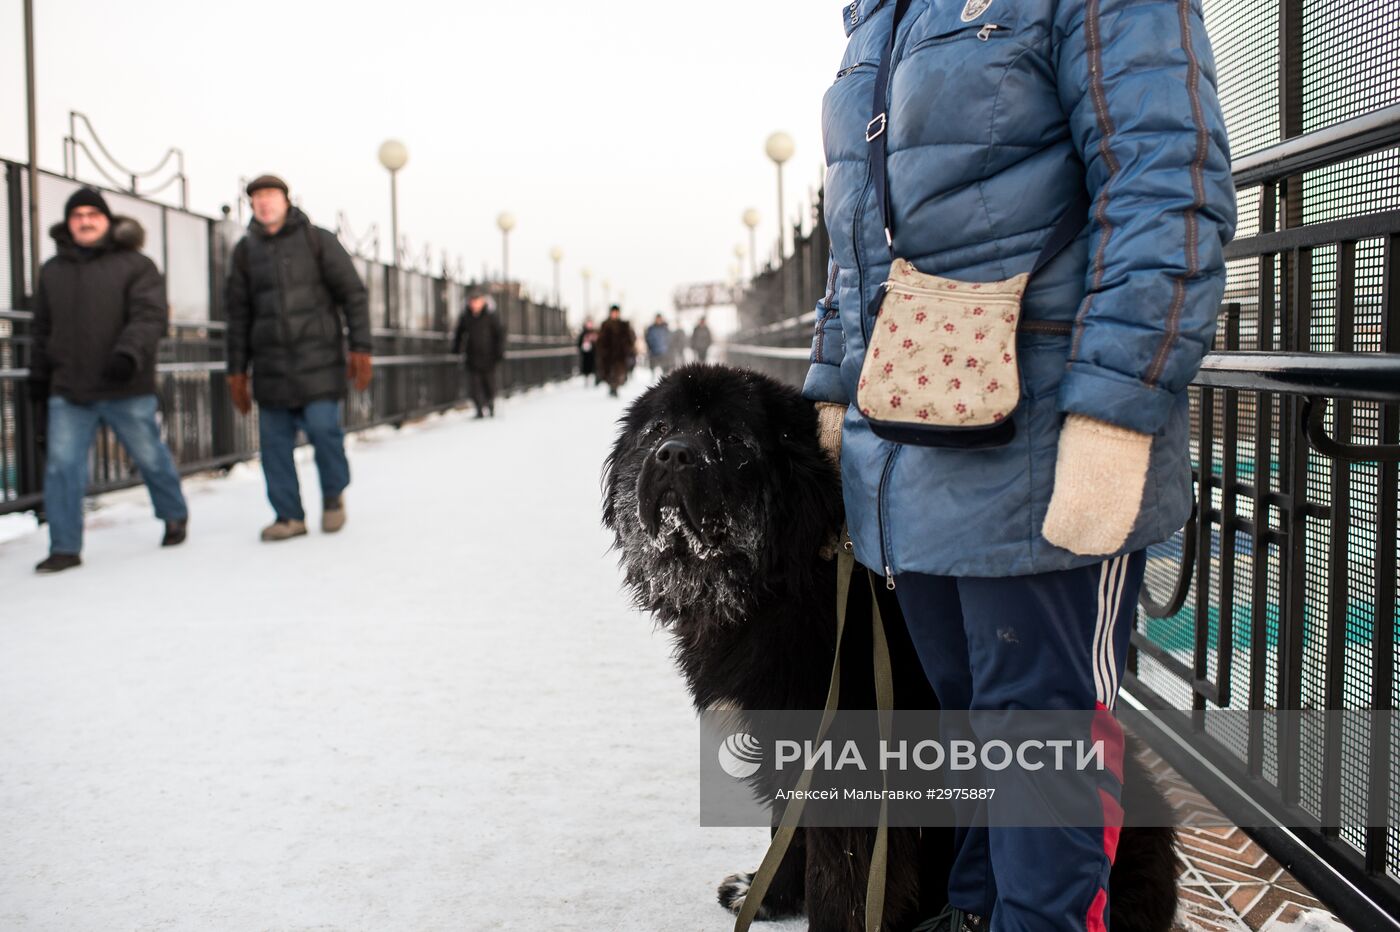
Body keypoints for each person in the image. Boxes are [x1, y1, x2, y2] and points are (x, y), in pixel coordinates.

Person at [803, 2, 1236, 930]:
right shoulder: (881, 18)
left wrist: (1115, 417)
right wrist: (836, 399)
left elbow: (1168, 183)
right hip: (910, 434)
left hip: (1040, 438)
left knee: (1042, 749)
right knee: (962, 731)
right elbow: (852, 247)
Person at [26, 188, 189, 574]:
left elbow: (150, 316)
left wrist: (128, 354)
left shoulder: (137, 265)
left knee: (150, 456)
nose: (84, 220)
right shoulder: (53, 271)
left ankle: (174, 514)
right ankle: (64, 546)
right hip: (70, 388)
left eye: (92, 214)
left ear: (106, 219)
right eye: (77, 214)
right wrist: (38, 375)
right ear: (68, 223)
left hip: (125, 385)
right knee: (62, 468)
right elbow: (41, 330)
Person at [225, 174, 373, 543]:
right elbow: (237, 315)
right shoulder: (245, 252)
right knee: (274, 447)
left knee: (324, 432)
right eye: (257, 197)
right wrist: (236, 371)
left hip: (319, 361)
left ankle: (333, 496)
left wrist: (361, 347)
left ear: (286, 200)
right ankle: (289, 516)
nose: (264, 202)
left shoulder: (317, 240)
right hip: (271, 367)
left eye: (271, 195)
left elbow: (353, 295)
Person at [451, 294, 507, 418]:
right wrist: (456, 348)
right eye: (472, 301)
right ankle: (479, 409)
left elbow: (500, 335)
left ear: (482, 301)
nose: (474, 304)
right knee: (474, 386)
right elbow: (459, 333)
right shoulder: (466, 316)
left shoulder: (491, 316)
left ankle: (490, 404)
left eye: (476, 301)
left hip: (489, 357)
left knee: (489, 383)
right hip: (472, 357)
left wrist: (499, 352)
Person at [595, 305, 635, 397]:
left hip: (620, 354)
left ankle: (615, 387)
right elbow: (600, 340)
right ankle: (612, 387)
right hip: (608, 355)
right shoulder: (605, 325)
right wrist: (602, 350)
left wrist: (628, 348)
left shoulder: (624, 325)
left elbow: (630, 338)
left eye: (616, 312)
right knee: (609, 372)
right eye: (613, 312)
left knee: (619, 372)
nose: (615, 314)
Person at [577, 318, 599, 385]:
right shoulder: (583, 334)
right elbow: (579, 343)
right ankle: (587, 379)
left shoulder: (595, 333)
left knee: (594, 366)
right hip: (586, 354)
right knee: (586, 367)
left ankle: (595, 380)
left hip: (593, 354)